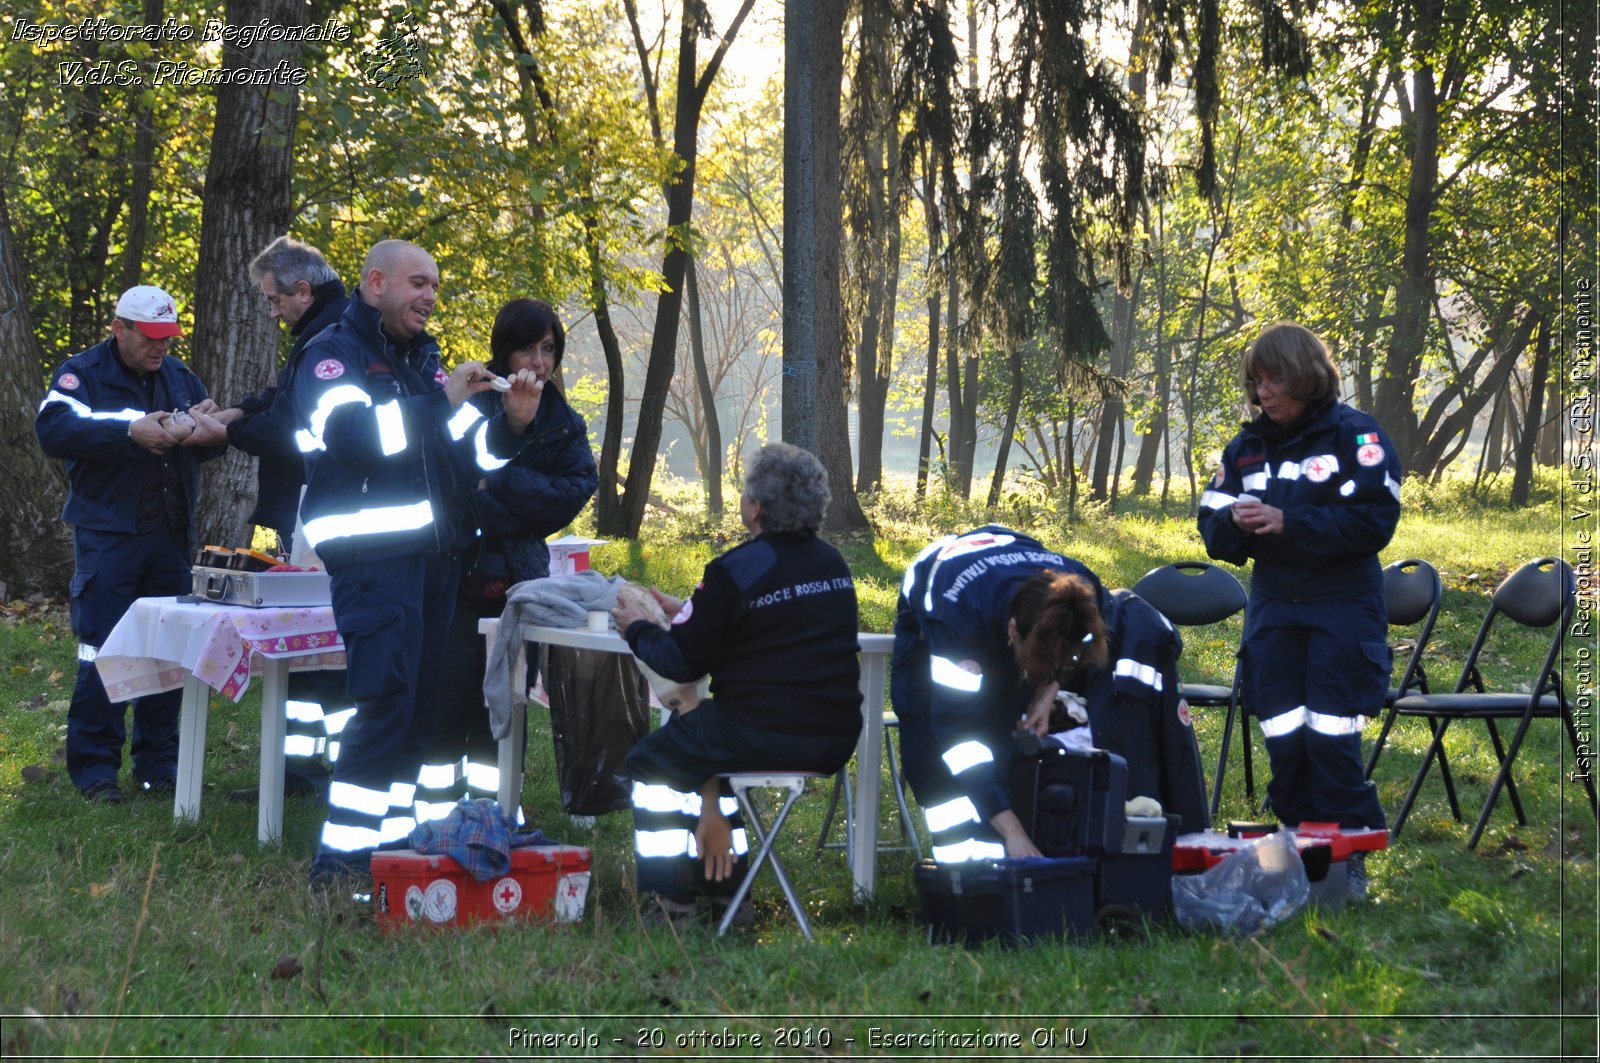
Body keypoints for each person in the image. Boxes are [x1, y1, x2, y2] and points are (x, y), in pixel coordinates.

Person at [290, 239, 544, 884]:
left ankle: (395, 851)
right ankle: (341, 863)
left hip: (438, 563)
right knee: (385, 705)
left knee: (419, 712)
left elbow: (472, 461)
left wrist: (512, 424)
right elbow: (355, 439)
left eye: (435, 285)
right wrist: (441, 402)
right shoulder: (330, 356)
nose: (431, 296)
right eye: (418, 283)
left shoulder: (422, 361)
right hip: (375, 562)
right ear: (375, 282)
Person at [611, 442, 861, 925]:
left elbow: (681, 663)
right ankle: (731, 894)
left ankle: (672, 900)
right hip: (831, 738)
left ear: (756, 509)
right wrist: (691, 611)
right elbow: (769, 629)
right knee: (704, 752)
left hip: (754, 733)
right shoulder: (832, 564)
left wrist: (636, 629)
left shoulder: (735, 569)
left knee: (652, 765)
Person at [1197, 322, 1399, 895]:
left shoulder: (1356, 437)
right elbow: (1213, 533)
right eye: (1257, 381)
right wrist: (1231, 522)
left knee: (1332, 742)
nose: (1264, 393)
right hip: (1273, 612)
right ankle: (1291, 862)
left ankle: (1347, 861)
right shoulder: (1244, 449)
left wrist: (1290, 521)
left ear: (1308, 376)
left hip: (1341, 607)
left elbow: (1374, 522)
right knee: (1285, 741)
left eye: (1277, 379)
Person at [891, 526, 1208, 863]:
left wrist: (1047, 690)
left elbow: (1074, 649)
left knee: (1008, 730)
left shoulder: (1084, 594)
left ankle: (1009, 845)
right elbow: (959, 739)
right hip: (939, 587)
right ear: (1012, 631)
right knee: (930, 747)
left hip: (1009, 561)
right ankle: (959, 869)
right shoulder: (958, 629)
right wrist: (1012, 833)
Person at [35, 285, 228, 803]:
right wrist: (129, 432)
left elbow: (203, 448)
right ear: (120, 329)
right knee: (104, 650)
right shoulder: (83, 374)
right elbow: (53, 430)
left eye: (169, 337)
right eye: (151, 338)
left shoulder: (179, 376)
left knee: (169, 652)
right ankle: (96, 771)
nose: (161, 347)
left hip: (169, 536)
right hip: (110, 537)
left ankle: (159, 767)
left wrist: (206, 434)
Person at [422, 298, 597, 816]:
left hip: (519, 576)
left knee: (504, 698)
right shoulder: (468, 400)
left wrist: (497, 481)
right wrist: (512, 438)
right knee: (448, 696)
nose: (538, 363)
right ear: (504, 349)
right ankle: (435, 817)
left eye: (549, 349)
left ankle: (498, 812)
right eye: (527, 347)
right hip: (456, 572)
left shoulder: (565, 421)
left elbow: (570, 495)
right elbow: (453, 486)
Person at [215, 236, 352, 803]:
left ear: (303, 290)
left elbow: (295, 427)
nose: (271, 312)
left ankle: (341, 772)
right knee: (303, 643)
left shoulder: (333, 340)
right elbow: (278, 398)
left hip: (331, 513)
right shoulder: (318, 332)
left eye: (274, 300)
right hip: (306, 507)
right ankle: (299, 770)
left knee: (331, 645)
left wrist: (228, 429)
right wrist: (238, 411)